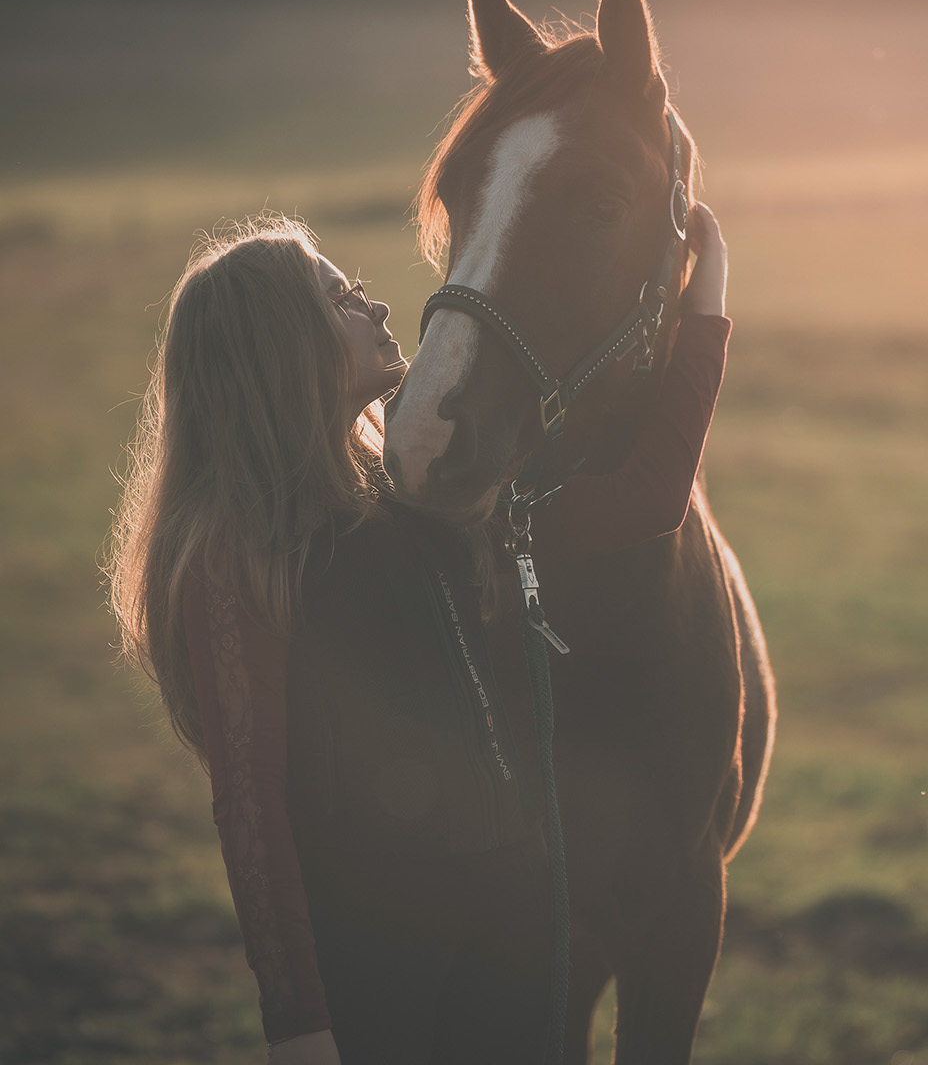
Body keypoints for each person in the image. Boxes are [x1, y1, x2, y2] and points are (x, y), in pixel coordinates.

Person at [107, 206, 731, 1064]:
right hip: (383, 965)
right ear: (283, 347)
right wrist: (297, 1019)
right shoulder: (237, 557)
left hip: (517, 943)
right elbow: (249, 804)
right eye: (342, 299)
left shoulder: (425, 495)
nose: (380, 308)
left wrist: (706, 309)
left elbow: (649, 499)